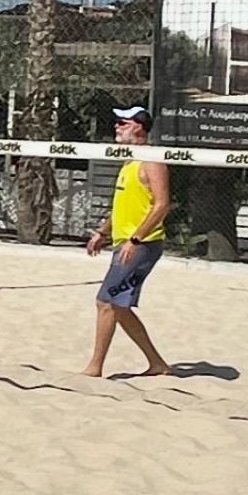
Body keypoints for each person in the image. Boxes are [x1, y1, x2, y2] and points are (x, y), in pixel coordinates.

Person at [83, 105, 171, 379]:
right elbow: (123, 205)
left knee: (105, 302)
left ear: (139, 127)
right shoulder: (130, 162)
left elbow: (162, 205)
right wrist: (102, 232)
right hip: (127, 243)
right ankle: (158, 365)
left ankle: (94, 368)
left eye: (123, 122)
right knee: (118, 306)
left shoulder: (152, 160)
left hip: (142, 245)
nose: (117, 127)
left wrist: (135, 239)